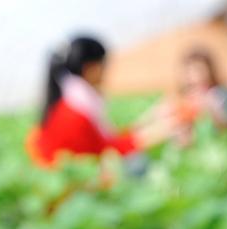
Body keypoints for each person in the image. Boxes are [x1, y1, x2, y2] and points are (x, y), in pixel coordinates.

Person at [27, 36, 171, 167]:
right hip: (76, 187)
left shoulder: (72, 101)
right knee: (138, 165)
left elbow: (103, 141)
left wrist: (147, 121)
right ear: (91, 69)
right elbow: (104, 152)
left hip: (75, 179)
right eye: (103, 66)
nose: (105, 73)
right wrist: (157, 132)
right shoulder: (75, 112)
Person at [173, 47, 227, 150]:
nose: (192, 76)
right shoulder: (186, 99)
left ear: (210, 70)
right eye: (188, 71)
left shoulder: (225, 94)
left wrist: (210, 107)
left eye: (197, 70)